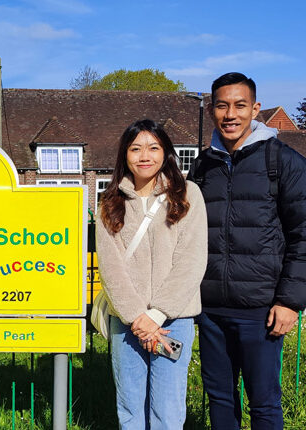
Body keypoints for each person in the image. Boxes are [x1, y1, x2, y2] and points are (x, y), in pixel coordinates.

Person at [189, 72, 306, 429]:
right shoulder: (202, 166)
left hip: (262, 308)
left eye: (240, 105)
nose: (231, 114)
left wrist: (290, 301)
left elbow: (303, 233)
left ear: (255, 108)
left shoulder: (282, 162)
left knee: (264, 403)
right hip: (209, 308)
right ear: (211, 110)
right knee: (220, 400)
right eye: (222, 106)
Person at [96, 119, 207, 429]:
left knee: (168, 411)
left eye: (153, 148)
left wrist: (156, 316)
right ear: (124, 155)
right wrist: (137, 318)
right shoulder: (110, 201)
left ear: (166, 153)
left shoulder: (188, 195)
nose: (145, 156)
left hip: (174, 321)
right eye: (136, 149)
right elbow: (110, 266)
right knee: (129, 407)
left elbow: (192, 259)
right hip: (126, 322)